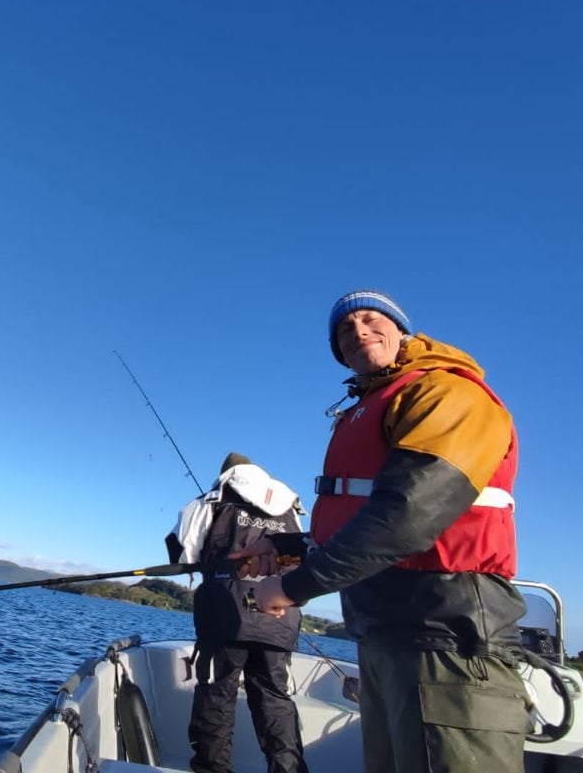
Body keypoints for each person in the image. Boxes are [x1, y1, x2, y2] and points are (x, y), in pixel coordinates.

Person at [239, 290, 532, 773]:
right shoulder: (372, 404)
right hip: (385, 638)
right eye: (344, 330)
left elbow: (409, 515)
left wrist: (290, 588)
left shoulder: (445, 393)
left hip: (448, 639)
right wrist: (284, 547)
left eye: (371, 319)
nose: (358, 331)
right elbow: (361, 521)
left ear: (402, 331)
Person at [166, 452, 310, 773]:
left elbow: (181, 552)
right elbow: (301, 555)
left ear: (227, 474)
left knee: (217, 694)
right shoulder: (289, 506)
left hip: (226, 613)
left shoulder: (211, 500)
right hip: (279, 615)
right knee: (274, 697)